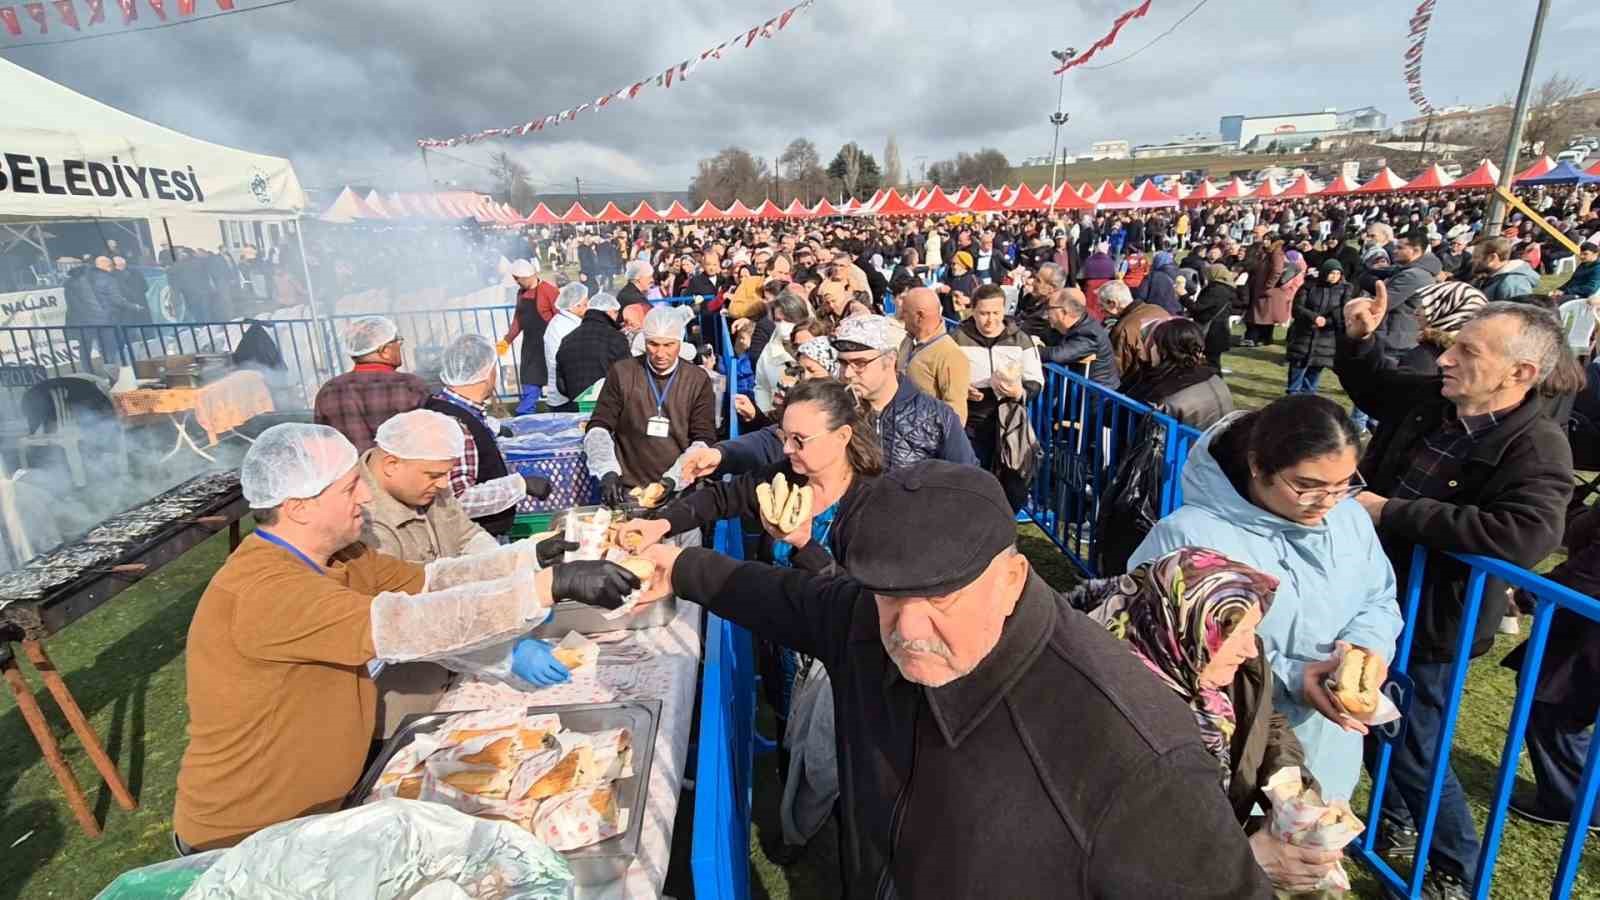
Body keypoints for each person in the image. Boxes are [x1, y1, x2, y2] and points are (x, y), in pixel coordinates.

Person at [631, 461, 1271, 898]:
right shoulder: (866, 618)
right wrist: (680, 566)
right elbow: (782, 597)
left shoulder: (1136, 753)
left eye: (942, 597)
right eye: (888, 594)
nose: (908, 627)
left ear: (1013, 579)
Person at [173, 423, 639, 852]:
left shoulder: (344, 556)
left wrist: (531, 559)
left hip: (322, 813)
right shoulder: (267, 591)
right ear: (298, 507)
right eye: (349, 487)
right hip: (247, 836)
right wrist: (544, 588)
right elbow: (407, 625)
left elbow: (431, 581)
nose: (366, 497)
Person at [1335, 295, 1575, 896]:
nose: (1444, 358)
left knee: (1416, 748)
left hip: (1433, 619)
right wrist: (1361, 339)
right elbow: (1373, 386)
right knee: (1364, 718)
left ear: (1519, 373)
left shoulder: (1537, 445)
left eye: (1466, 350)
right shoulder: (1431, 403)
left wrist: (1392, 511)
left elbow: (1522, 536)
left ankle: (1455, 872)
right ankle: (1394, 826)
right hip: (1372, 596)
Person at [1130, 394, 1403, 809]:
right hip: (1230, 754)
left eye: (1344, 484)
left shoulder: (1348, 518)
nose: (1327, 502)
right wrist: (1294, 676)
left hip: (1326, 752)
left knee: (1306, 858)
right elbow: (1158, 653)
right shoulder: (1189, 537)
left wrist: (1369, 650)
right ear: (1258, 466)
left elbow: (1378, 597)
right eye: (1307, 486)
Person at [1069, 547, 1343, 893]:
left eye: (1252, 630)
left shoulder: (1216, 663)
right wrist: (1248, 863)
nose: (1251, 650)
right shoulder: (1112, 713)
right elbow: (1120, 859)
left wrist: (1291, 793)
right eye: (1237, 635)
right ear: (1186, 627)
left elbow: (1264, 721)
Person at [357, 411, 578, 739]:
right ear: (391, 464)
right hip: (404, 684)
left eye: (447, 474)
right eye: (434, 475)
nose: (445, 485)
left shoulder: (426, 485)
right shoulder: (364, 523)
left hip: (454, 660)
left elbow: (465, 537)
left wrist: (520, 577)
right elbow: (413, 622)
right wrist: (503, 654)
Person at [671, 314, 977, 482]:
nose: (848, 373)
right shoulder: (833, 404)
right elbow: (774, 440)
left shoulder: (936, 417)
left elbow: (967, 482)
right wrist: (722, 454)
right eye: (843, 362)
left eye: (859, 363)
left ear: (890, 360)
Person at [585, 304, 718, 503]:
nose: (660, 353)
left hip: (680, 489)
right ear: (644, 341)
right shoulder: (623, 373)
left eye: (668, 345)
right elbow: (599, 425)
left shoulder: (697, 379)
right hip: (630, 488)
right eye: (653, 344)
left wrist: (674, 478)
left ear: (680, 343)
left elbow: (704, 438)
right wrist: (607, 471)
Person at [423, 334, 548, 537]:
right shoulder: (456, 424)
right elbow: (458, 498)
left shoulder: (446, 407)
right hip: (473, 536)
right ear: (486, 372)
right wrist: (519, 485)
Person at [954, 285, 1045, 511]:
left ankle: (1007, 528)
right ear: (972, 311)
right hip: (972, 419)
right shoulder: (957, 338)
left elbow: (1036, 380)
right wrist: (961, 388)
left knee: (1012, 483)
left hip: (1010, 420)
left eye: (996, 313)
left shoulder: (1020, 339)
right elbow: (947, 375)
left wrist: (1020, 392)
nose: (990, 320)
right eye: (984, 313)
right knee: (974, 478)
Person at [313, 316, 430, 453]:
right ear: (384, 351)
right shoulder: (410, 386)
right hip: (401, 470)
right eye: (398, 342)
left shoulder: (329, 390)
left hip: (353, 472)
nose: (400, 346)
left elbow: (323, 440)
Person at [1120, 319, 1234, 429]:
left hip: (1187, 447)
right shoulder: (1215, 377)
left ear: (1165, 350)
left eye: (1153, 344)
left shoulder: (1163, 397)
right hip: (1211, 443)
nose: (1149, 348)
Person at [897, 287, 972, 424]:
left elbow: (956, 416)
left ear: (919, 316)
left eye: (905, 312)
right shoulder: (907, 342)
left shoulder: (949, 354)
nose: (901, 316)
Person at [498, 260, 557, 414]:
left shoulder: (548, 290)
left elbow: (559, 316)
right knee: (530, 378)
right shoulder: (521, 293)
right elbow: (519, 318)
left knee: (556, 379)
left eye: (518, 279)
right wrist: (507, 340)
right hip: (530, 344)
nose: (517, 282)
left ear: (527, 277)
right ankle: (525, 413)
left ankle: (562, 410)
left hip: (549, 343)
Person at [1284, 259, 1351, 395]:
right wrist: (1314, 317)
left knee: (1314, 371)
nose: (1334, 276)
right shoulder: (1309, 287)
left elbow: (1344, 312)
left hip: (1326, 339)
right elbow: (1297, 308)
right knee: (1298, 369)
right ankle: (1292, 398)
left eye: (1338, 274)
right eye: (1332, 273)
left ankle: (1309, 399)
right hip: (1304, 335)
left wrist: (1327, 321)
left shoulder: (1344, 290)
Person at [553, 292, 628, 411]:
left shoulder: (568, 339)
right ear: (609, 312)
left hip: (576, 407)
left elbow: (561, 383)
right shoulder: (616, 338)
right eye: (616, 313)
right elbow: (627, 375)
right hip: (610, 409)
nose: (617, 318)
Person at [1040, 286, 1119, 388]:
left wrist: (1030, 349)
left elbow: (1058, 355)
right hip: (1077, 392)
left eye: (1049, 308)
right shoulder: (1069, 326)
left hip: (1096, 398)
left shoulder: (1089, 333)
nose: (1047, 313)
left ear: (1064, 312)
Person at [1104, 280, 1169, 380]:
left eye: (1102, 306)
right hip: (1168, 372)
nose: (1102, 311)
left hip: (1142, 382)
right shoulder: (1157, 309)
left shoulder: (1123, 328)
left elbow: (1116, 370)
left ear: (1113, 304)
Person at [540, 282, 589, 410]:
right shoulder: (564, 327)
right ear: (574, 306)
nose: (588, 307)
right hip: (565, 396)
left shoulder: (564, 322)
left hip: (567, 391)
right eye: (585, 304)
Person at [1190, 262, 1239, 371]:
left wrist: (1183, 296)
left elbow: (1197, 307)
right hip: (1220, 330)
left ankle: (1215, 384)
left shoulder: (1216, 290)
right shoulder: (1228, 288)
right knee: (1213, 361)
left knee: (1212, 363)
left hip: (1213, 331)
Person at [1474, 237, 1541, 301]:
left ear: (1492, 258)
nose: (1473, 260)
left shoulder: (1512, 284)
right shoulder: (1495, 277)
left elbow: (1517, 311)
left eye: (1476, 256)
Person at [1134, 250, 1184, 315]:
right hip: (1177, 312)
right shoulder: (1181, 273)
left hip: (1156, 312)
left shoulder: (1152, 276)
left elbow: (1141, 296)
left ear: (1156, 261)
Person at [935, 250, 980, 319]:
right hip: (948, 318)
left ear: (964, 265)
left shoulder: (973, 280)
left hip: (964, 321)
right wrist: (939, 291)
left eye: (954, 264)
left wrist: (968, 300)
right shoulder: (949, 277)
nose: (952, 266)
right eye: (951, 264)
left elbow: (982, 300)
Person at [111, 256, 149, 323]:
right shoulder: (136, 272)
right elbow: (145, 287)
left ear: (115, 265)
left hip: (126, 310)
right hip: (141, 305)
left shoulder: (112, 276)